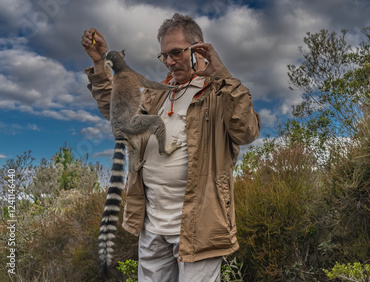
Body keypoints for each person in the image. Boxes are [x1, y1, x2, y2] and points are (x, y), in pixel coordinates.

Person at [81, 13, 260, 281]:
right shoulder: (155, 95)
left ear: (199, 49)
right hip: (152, 224)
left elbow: (246, 130)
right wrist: (99, 63)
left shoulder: (217, 93)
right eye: (164, 55)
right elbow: (117, 110)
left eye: (176, 52)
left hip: (200, 228)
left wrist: (220, 73)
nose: (168, 61)